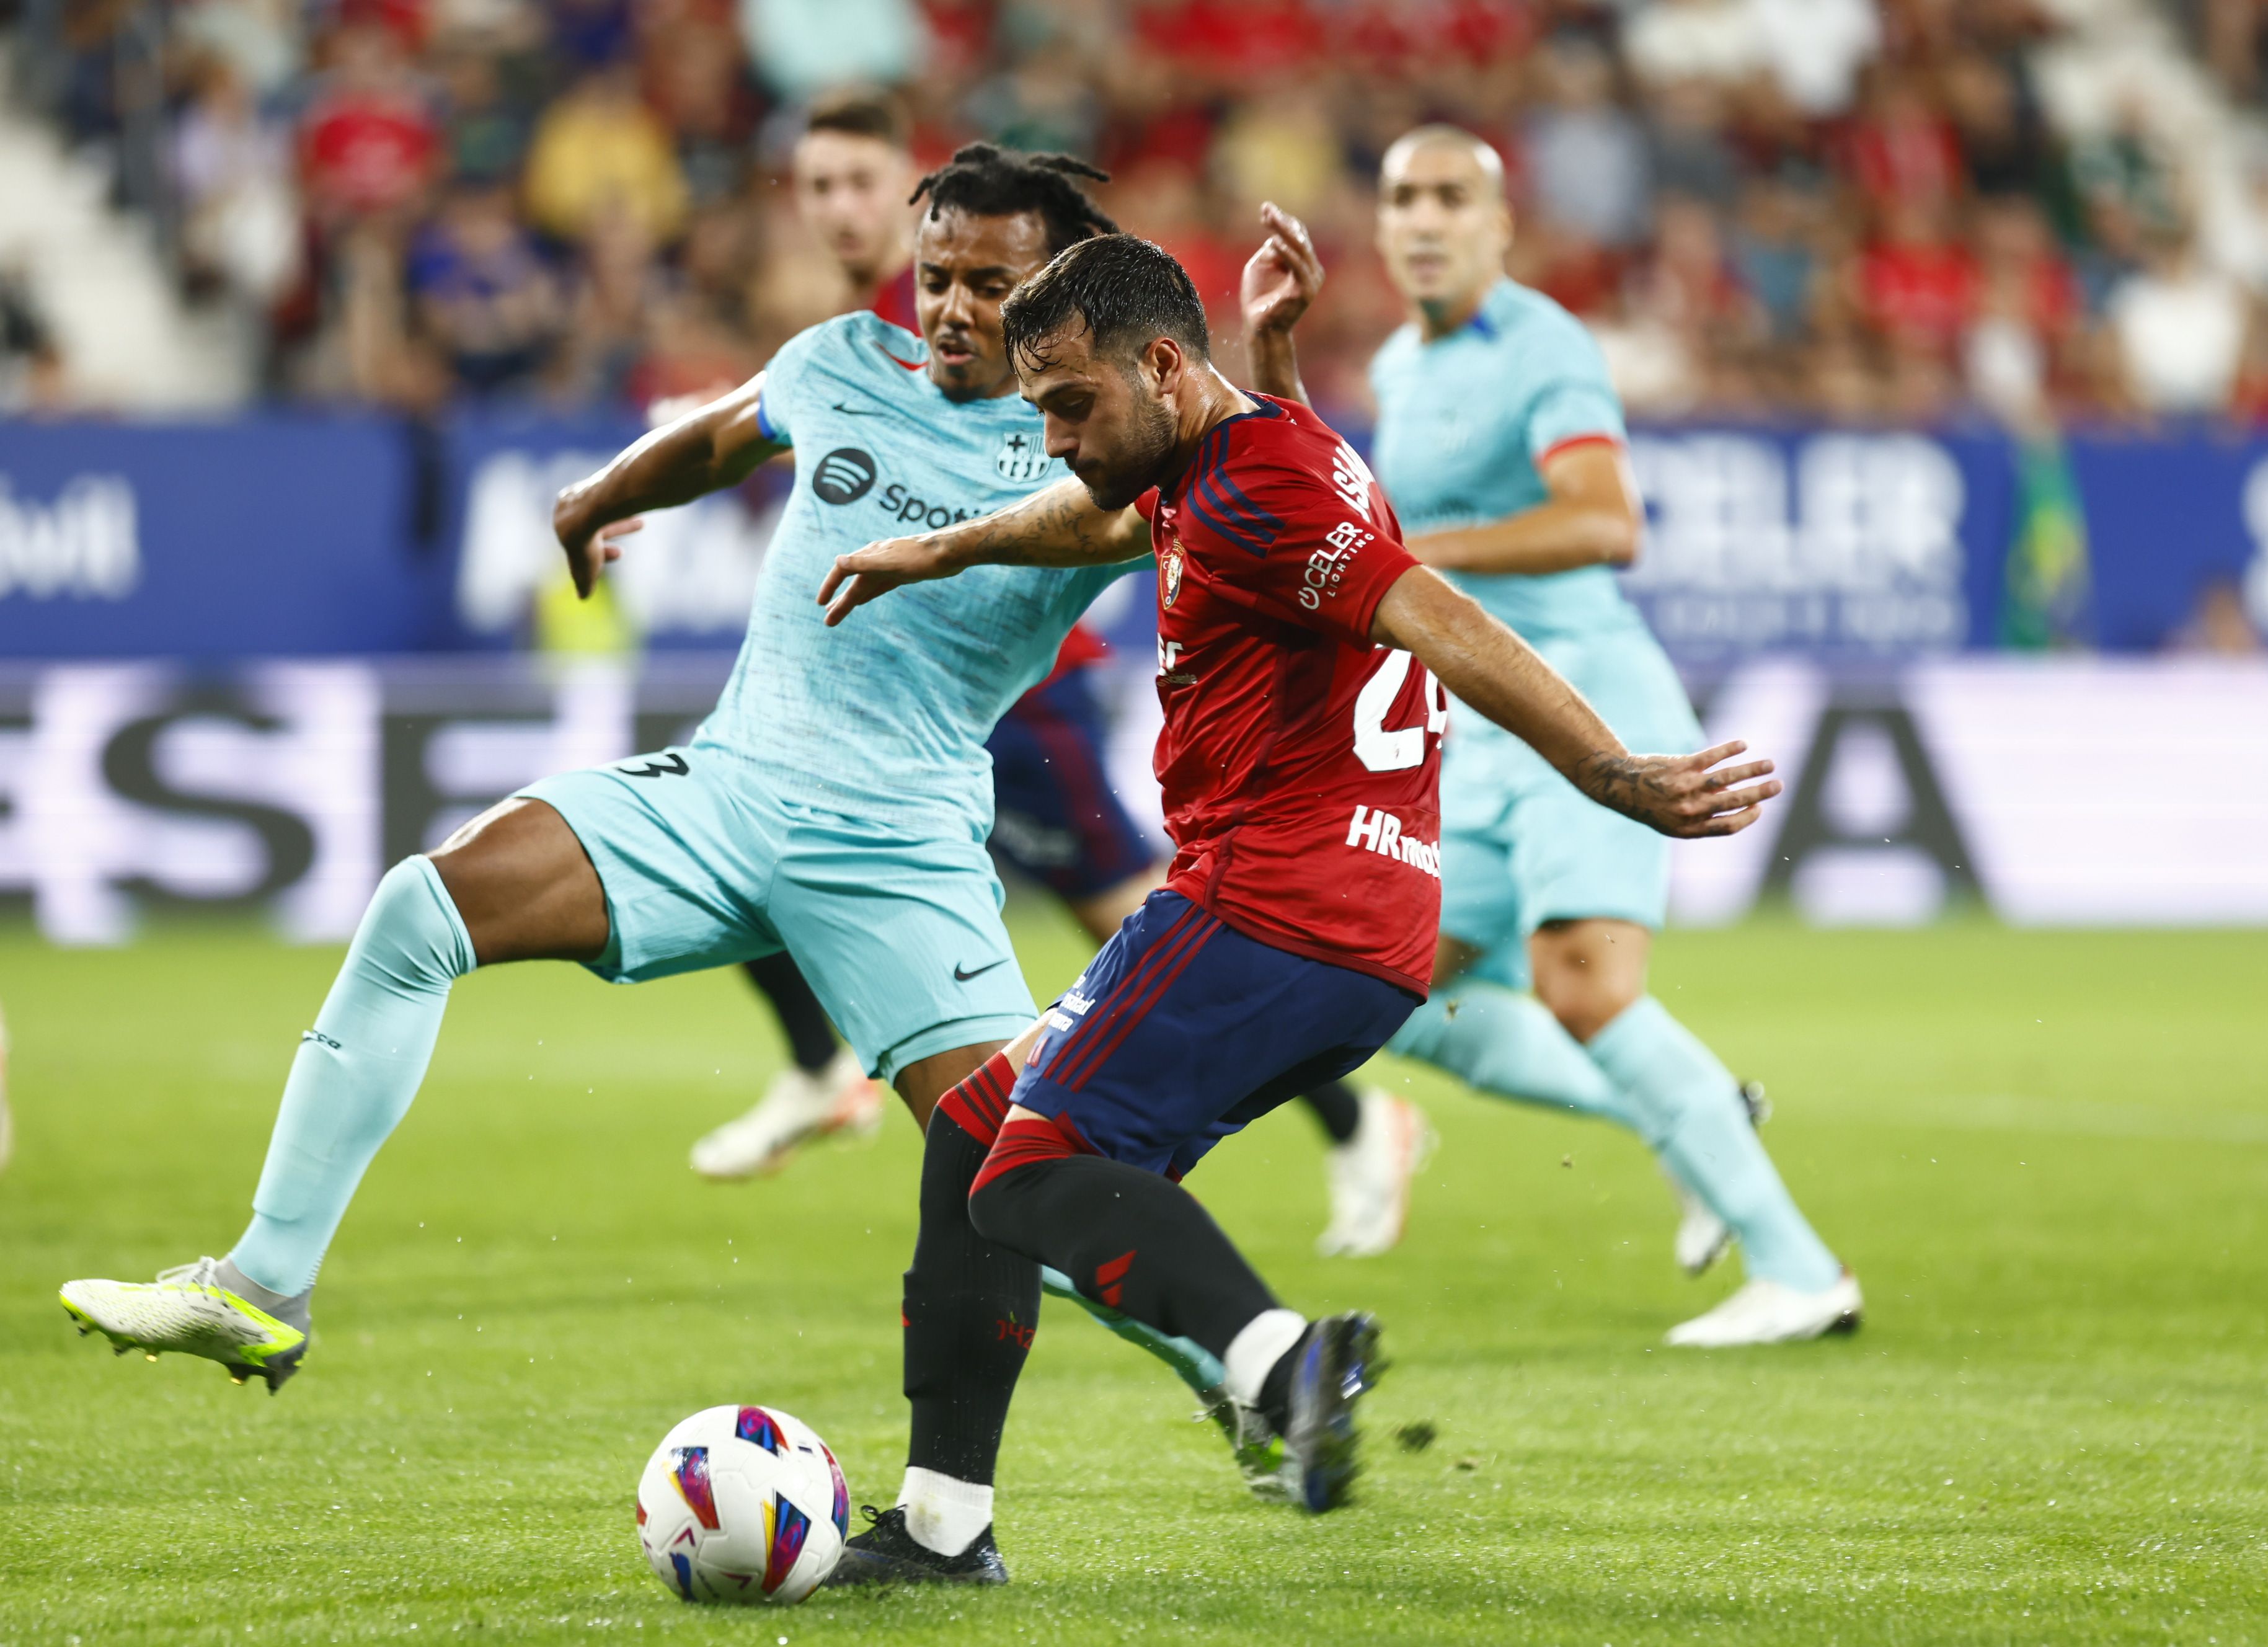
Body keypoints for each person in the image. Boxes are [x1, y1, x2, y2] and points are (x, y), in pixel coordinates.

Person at [50, 151, 1259, 1457]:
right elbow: (722, 433)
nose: (954, 307)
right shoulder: (846, 359)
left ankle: (1247, 1376)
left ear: (1060, 299)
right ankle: (262, 1285)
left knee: (1015, 1167)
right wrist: (597, 497)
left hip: (896, 842)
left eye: (991, 284)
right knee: (420, 908)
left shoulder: (1107, 435)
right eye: (937, 277)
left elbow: (1267, 474)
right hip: (726, 789)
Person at [811, 233, 1781, 1581]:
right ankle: (940, 1524)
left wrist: (1605, 768)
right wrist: (944, 547)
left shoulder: (1248, 496)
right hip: (1356, 927)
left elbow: (1429, 609)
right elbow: (1100, 518)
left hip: (1274, 900)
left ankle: (1281, 1363)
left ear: (1161, 365)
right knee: (977, 1128)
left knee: (1027, 1169)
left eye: (1070, 403)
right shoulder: (1264, 440)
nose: (1054, 439)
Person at [694, 91, 1427, 1265]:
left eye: (858, 183)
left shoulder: (995, 303)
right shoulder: (888, 322)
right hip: (906, 674)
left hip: (1024, 687)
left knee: (1124, 913)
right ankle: (839, 1068)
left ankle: (1339, 1123)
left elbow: (1178, 467)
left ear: (908, 194)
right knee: (762, 811)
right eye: (814, 185)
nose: (836, 208)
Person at [1243, 125, 1861, 1347]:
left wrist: (1423, 561)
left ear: (1499, 224)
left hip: (1583, 696)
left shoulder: (1544, 344)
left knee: (1584, 987)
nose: (1422, 219)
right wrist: (1274, 356)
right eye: (1402, 197)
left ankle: (1801, 1269)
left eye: (1449, 199)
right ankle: (1690, 1119)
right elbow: (1345, 500)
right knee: (1391, 982)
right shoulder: (1407, 364)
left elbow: (1605, 518)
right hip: (1481, 726)